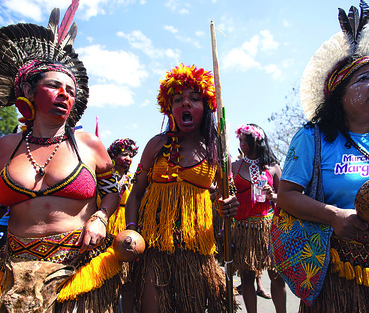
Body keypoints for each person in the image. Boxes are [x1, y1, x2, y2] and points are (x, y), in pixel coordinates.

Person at [0, 8, 122, 313]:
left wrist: (100, 218)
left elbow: (112, 191)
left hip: (77, 271)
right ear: (27, 92)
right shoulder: (6, 147)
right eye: (54, 86)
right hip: (14, 272)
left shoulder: (90, 144)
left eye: (70, 91)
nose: (64, 95)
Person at [277, 2, 369, 312]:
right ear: (339, 95)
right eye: (363, 79)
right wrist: (333, 215)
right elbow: (286, 196)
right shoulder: (311, 139)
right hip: (337, 271)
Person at [125, 63, 239, 313]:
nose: (185, 103)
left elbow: (226, 197)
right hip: (153, 246)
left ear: (207, 107)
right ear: (170, 109)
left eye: (194, 99)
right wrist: (132, 231)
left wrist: (229, 206)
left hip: (196, 250)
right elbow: (134, 195)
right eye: (178, 99)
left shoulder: (217, 151)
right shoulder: (156, 145)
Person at [232, 123, 286, 313]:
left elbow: (287, 197)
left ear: (258, 141)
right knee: (247, 277)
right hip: (243, 228)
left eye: (246, 138)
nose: (242, 142)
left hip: (269, 228)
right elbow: (225, 193)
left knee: (277, 276)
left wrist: (273, 196)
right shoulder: (234, 166)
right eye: (240, 138)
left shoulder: (273, 167)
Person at [106, 138, 139, 313]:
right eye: (123, 154)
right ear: (113, 155)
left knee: (127, 282)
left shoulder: (134, 179)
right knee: (108, 280)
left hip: (126, 230)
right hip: (107, 232)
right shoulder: (105, 178)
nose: (128, 158)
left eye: (130, 155)